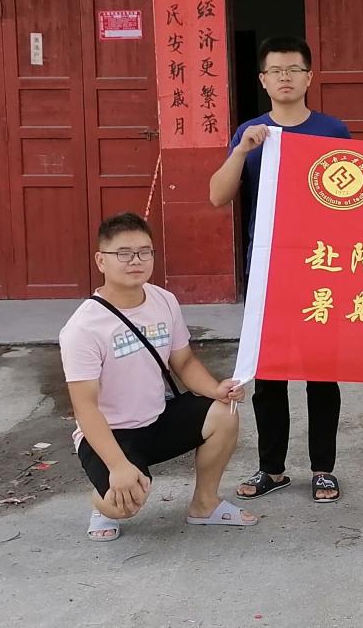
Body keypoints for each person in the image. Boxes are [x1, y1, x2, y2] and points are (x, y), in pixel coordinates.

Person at [209, 35, 350, 503]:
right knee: (268, 375)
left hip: (321, 270)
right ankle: (271, 469)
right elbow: (217, 195)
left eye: (294, 69)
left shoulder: (333, 132)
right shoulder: (251, 132)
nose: (285, 78)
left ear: (310, 77)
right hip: (268, 272)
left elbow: (360, 194)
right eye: (276, 71)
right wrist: (240, 151)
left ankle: (323, 469)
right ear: (263, 80)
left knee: (321, 374)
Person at [60, 212, 255, 541]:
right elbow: (85, 407)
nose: (135, 261)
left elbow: (184, 361)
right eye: (124, 253)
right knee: (125, 504)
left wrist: (216, 389)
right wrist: (118, 466)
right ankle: (102, 501)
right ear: (101, 260)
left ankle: (204, 504)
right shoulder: (83, 328)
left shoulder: (164, 300)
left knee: (226, 413)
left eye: (144, 252)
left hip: (158, 418)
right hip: (111, 434)